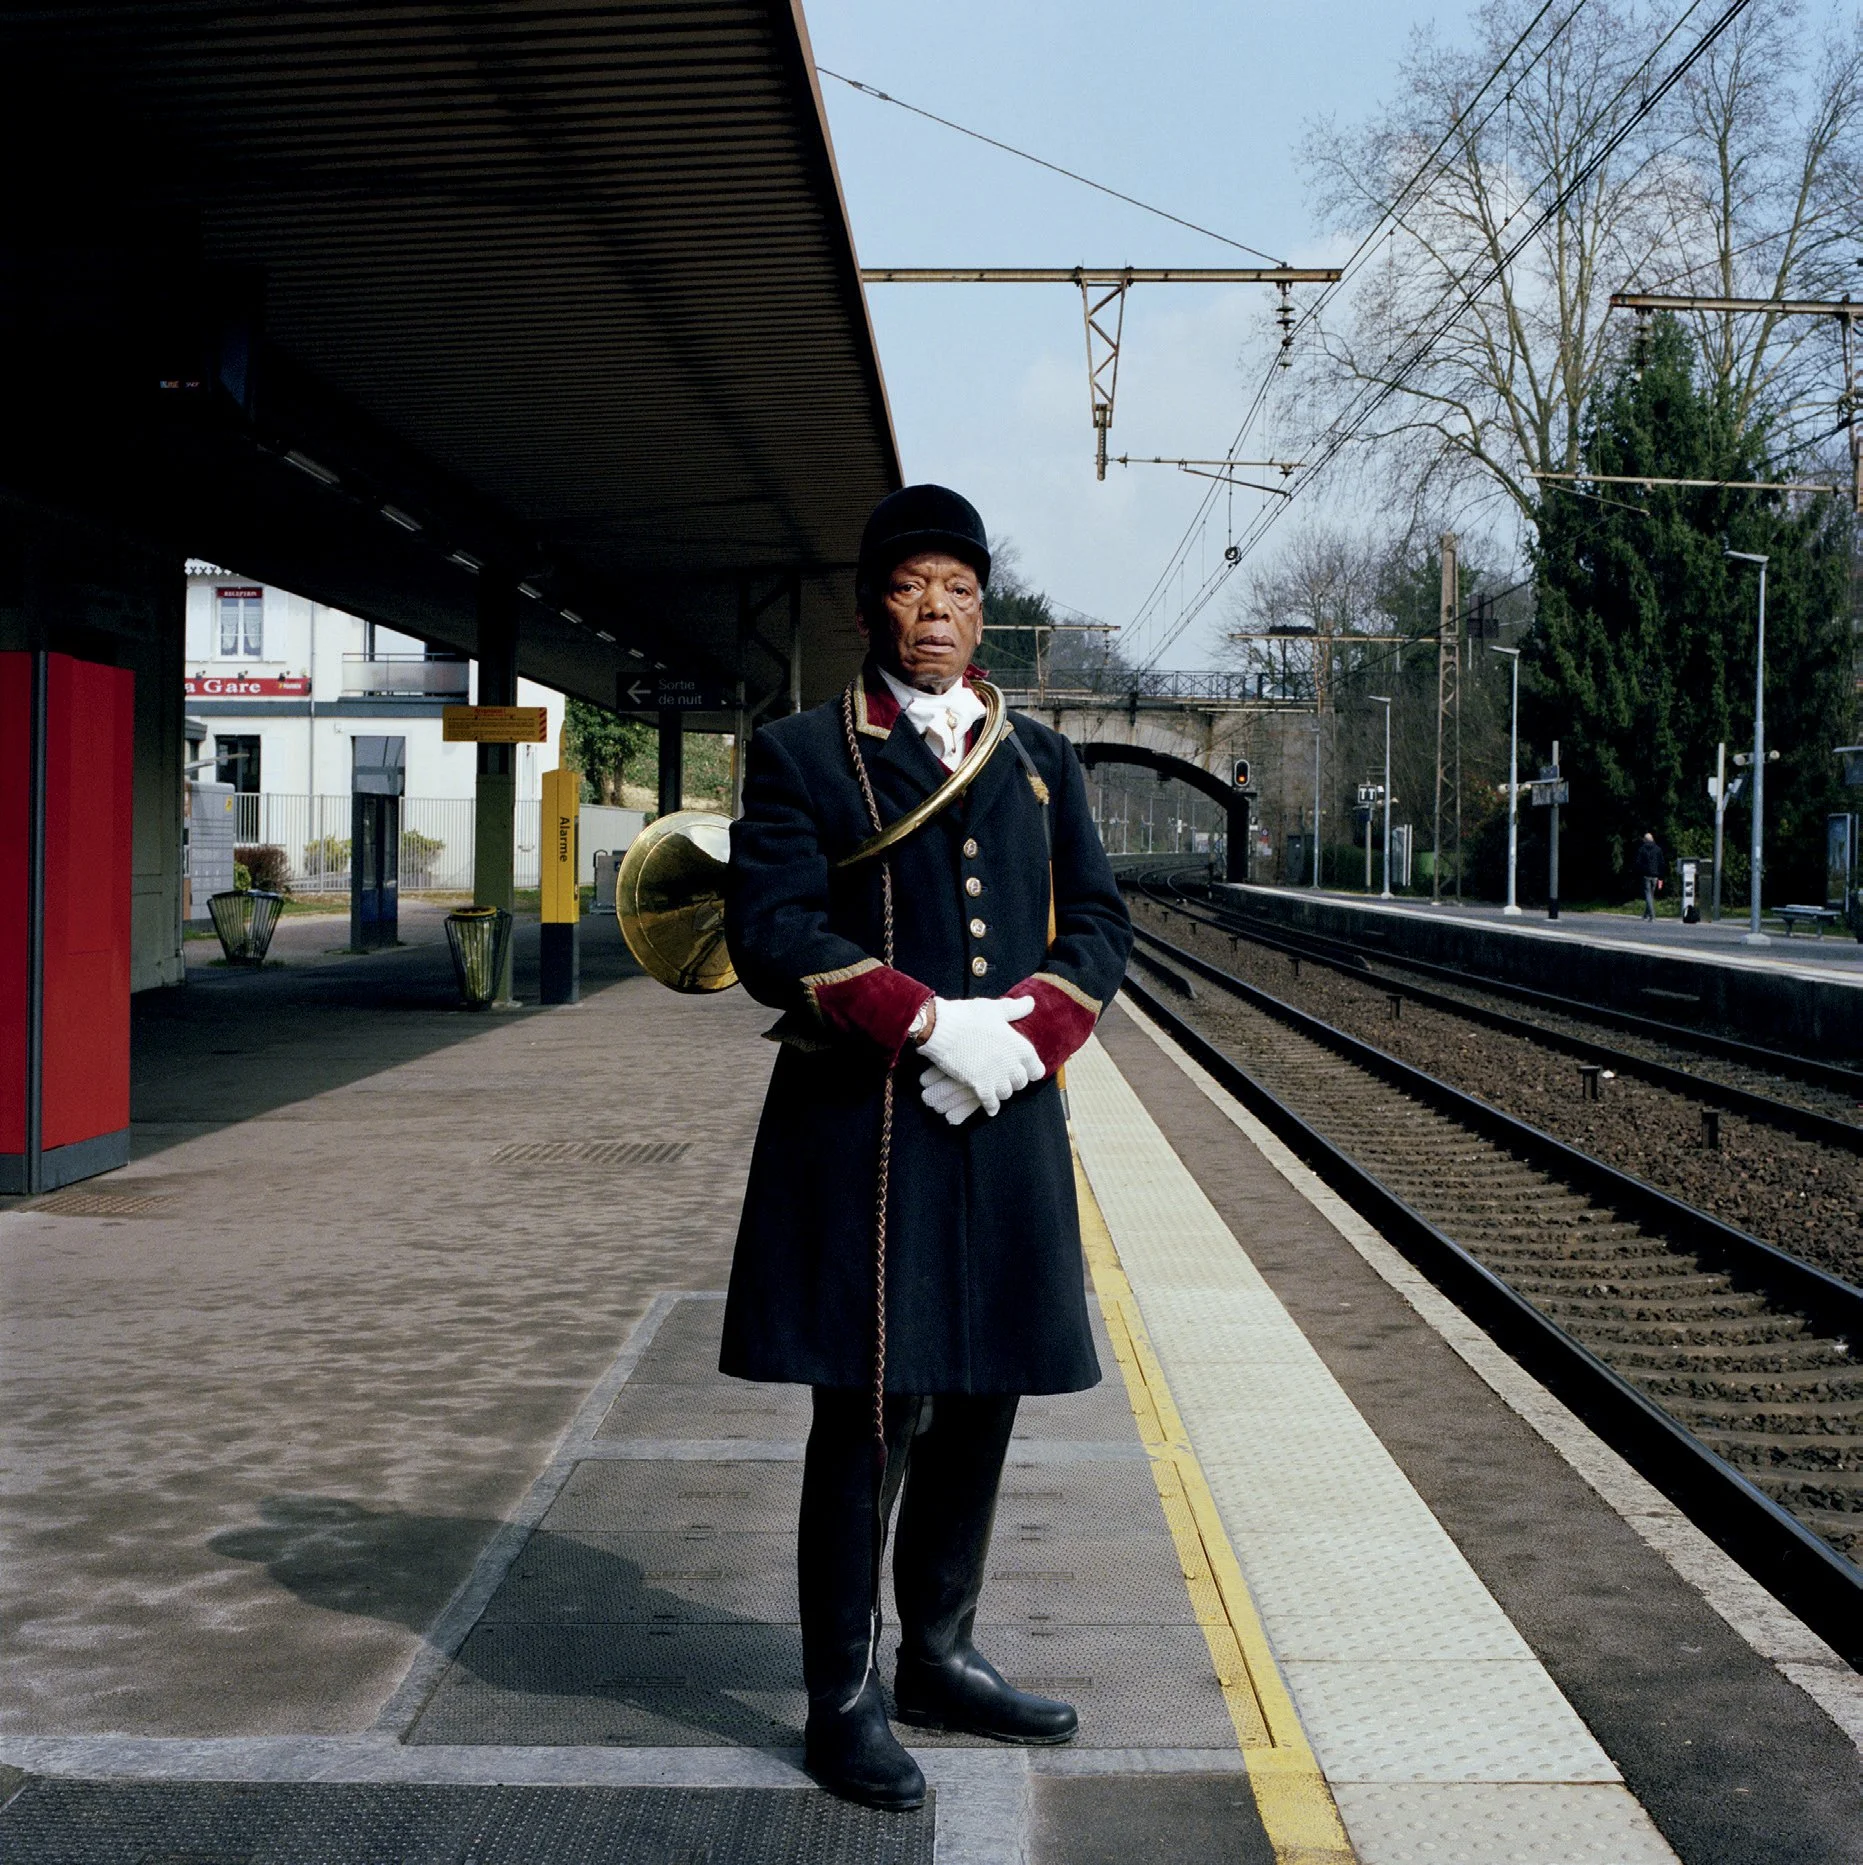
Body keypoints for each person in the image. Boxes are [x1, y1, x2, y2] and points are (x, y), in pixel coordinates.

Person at [722, 484, 1133, 1810]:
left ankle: (939, 1654)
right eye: (911, 588)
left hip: (1001, 1116)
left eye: (958, 588)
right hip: (869, 1128)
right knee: (871, 1411)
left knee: (983, 1396)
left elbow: (1100, 926)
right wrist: (922, 1022)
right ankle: (841, 1694)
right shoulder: (798, 753)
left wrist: (1026, 1033)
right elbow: (769, 933)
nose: (936, 611)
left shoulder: (1042, 760)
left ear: (981, 608)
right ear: (870, 609)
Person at [1634, 831, 1667, 920]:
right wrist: (1661, 876)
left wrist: (1641, 871)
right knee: (1651, 895)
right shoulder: (1658, 849)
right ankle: (1646, 914)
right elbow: (1662, 863)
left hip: (1646, 875)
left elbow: (1638, 862)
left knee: (1648, 894)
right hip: (1655, 875)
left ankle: (1652, 915)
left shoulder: (1642, 849)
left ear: (1645, 840)